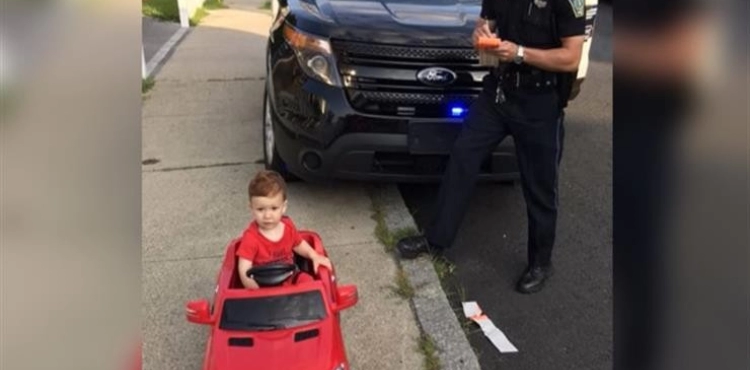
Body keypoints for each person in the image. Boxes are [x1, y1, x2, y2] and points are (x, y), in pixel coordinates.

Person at [396, 0, 586, 294]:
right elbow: (486, 25)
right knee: (462, 158)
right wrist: (481, 35)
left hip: (539, 102)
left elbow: (571, 57)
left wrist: (520, 53)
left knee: (540, 187)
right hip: (498, 93)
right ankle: (436, 240)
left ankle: (540, 262)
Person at [237, 170, 332, 289]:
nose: (267, 215)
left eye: (274, 208)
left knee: (310, 284)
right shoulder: (250, 238)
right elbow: (244, 271)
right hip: (263, 284)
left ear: (283, 207)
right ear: (251, 208)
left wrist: (314, 255)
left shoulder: (288, 227)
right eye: (260, 209)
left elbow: (299, 244)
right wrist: (258, 293)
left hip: (290, 277)